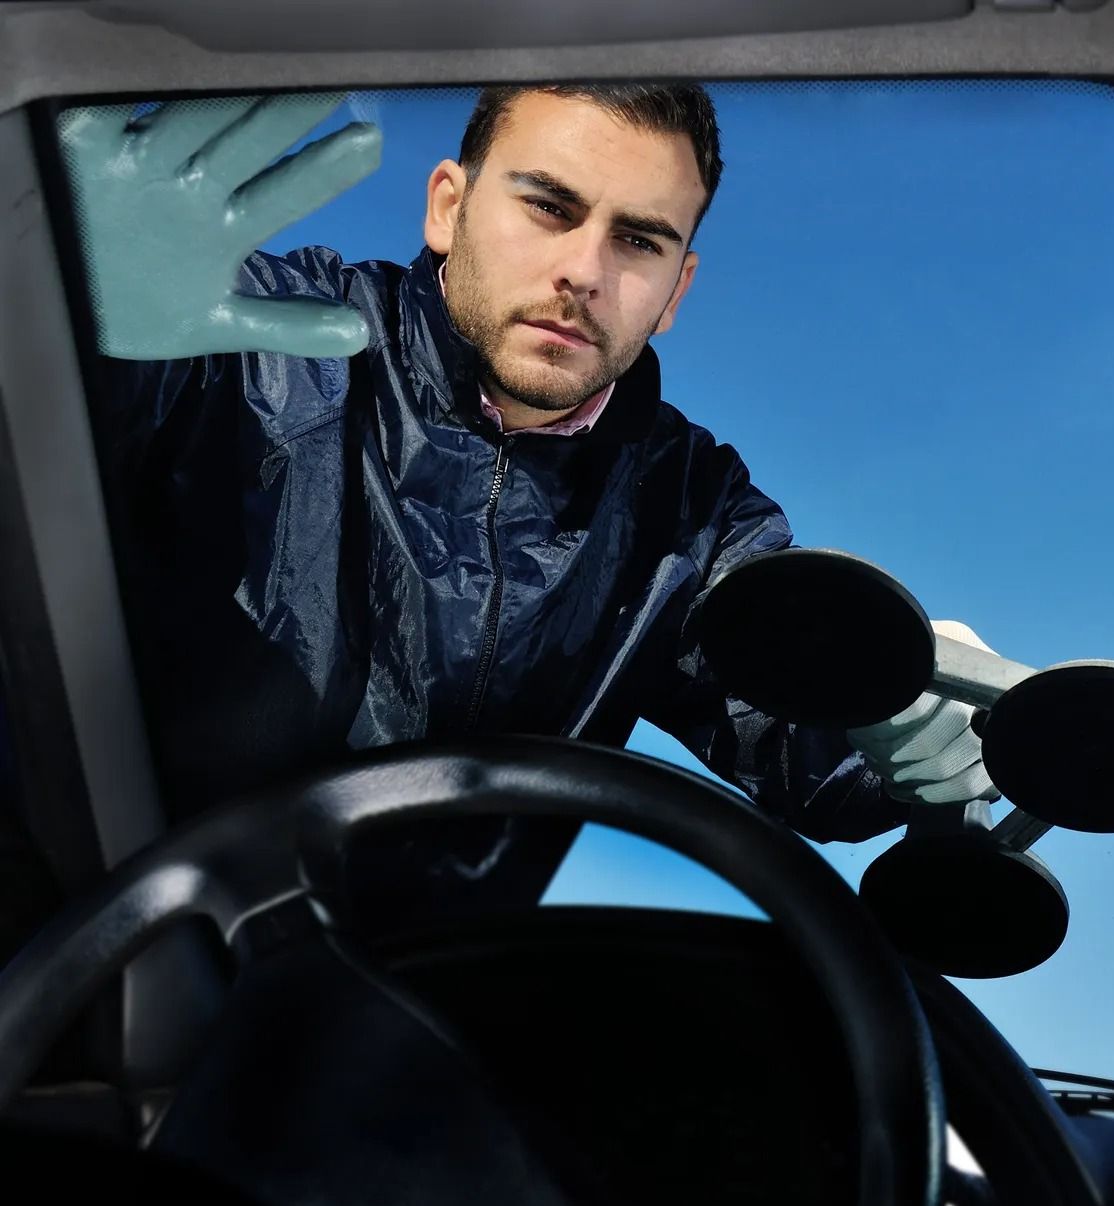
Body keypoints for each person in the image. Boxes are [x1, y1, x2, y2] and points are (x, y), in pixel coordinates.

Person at [60, 85, 992, 929]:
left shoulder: (690, 511)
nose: (584, 270)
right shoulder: (244, 333)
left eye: (639, 240)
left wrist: (894, 710)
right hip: (97, 956)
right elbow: (59, 451)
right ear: (447, 207)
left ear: (676, 291)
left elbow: (794, 705)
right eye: (549, 206)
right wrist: (65, 306)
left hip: (416, 1021)